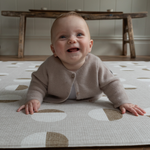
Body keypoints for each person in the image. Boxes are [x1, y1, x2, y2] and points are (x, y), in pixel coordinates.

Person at [17, 12, 146, 116]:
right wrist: (33, 99)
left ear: (90, 45)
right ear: (53, 50)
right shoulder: (49, 65)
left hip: (91, 96)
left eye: (79, 34)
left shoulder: (95, 64)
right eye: (63, 37)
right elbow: (38, 83)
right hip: (56, 97)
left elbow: (111, 84)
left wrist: (123, 102)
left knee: (109, 79)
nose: (72, 40)